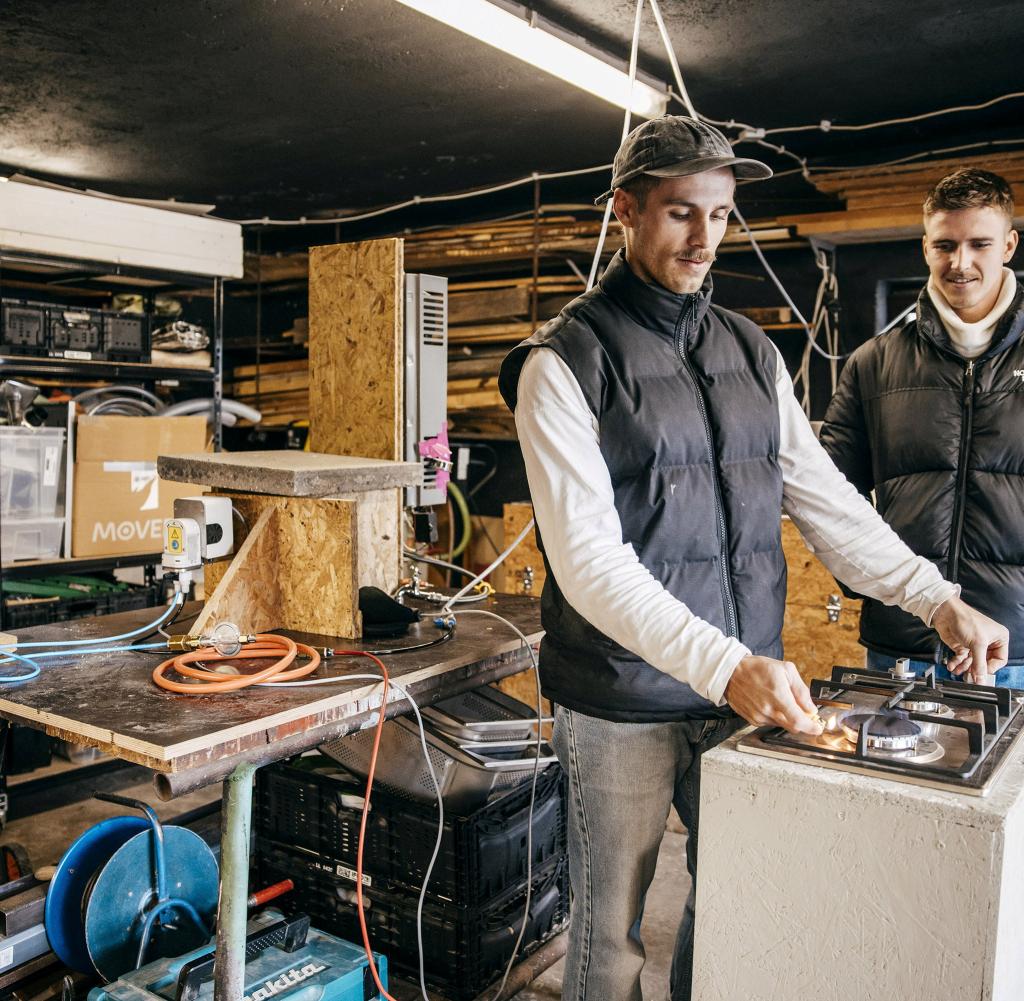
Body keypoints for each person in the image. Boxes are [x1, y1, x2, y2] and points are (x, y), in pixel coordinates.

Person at [496, 117, 1008, 1001]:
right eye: (680, 213)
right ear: (624, 211)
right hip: (621, 698)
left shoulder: (749, 349)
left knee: (733, 908)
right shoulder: (565, 361)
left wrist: (934, 597)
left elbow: (826, 501)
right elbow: (590, 564)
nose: (703, 239)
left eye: (722, 216)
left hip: (742, 689)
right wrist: (727, 665)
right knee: (610, 940)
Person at [820, 167, 1023, 686]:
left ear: (1009, 245)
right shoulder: (874, 363)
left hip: (1017, 652)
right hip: (901, 650)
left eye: (979, 243)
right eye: (945, 245)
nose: (961, 262)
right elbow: (825, 497)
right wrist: (872, 590)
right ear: (925, 247)